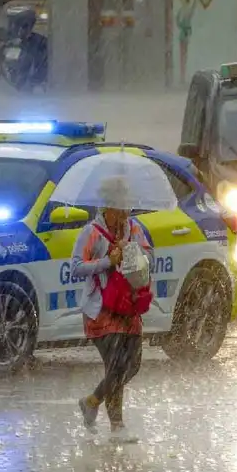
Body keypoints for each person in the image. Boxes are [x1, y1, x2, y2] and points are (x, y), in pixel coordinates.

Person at [70, 178, 153, 438]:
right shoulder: (92, 232)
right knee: (115, 365)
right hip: (102, 310)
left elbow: (150, 257)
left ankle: (92, 401)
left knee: (133, 365)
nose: (125, 213)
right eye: (120, 207)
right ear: (107, 207)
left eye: (127, 207)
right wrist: (107, 260)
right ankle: (117, 426)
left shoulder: (134, 229)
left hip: (129, 306)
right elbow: (76, 267)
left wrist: (131, 251)